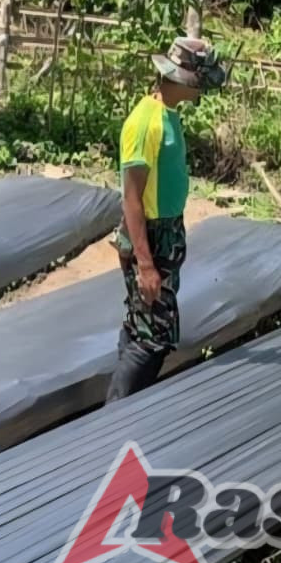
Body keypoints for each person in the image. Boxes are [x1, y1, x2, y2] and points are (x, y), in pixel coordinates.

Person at [105, 37, 227, 404]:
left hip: (166, 232)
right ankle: (114, 416)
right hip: (152, 238)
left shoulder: (168, 115)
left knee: (139, 324)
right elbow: (131, 199)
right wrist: (145, 264)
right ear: (184, 78)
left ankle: (124, 408)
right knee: (155, 337)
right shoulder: (144, 123)